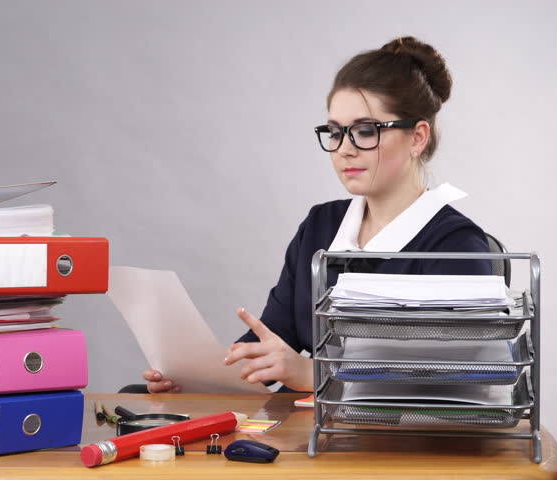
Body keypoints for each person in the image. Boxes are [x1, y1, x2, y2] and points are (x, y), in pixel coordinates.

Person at [142, 36, 492, 394]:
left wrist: (315, 373)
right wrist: (198, 378)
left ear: (417, 138)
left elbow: (455, 371)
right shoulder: (320, 227)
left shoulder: (457, 244)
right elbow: (275, 342)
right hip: (311, 436)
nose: (344, 149)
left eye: (365, 131)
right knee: (137, 397)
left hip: (405, 443)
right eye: (336, 132)